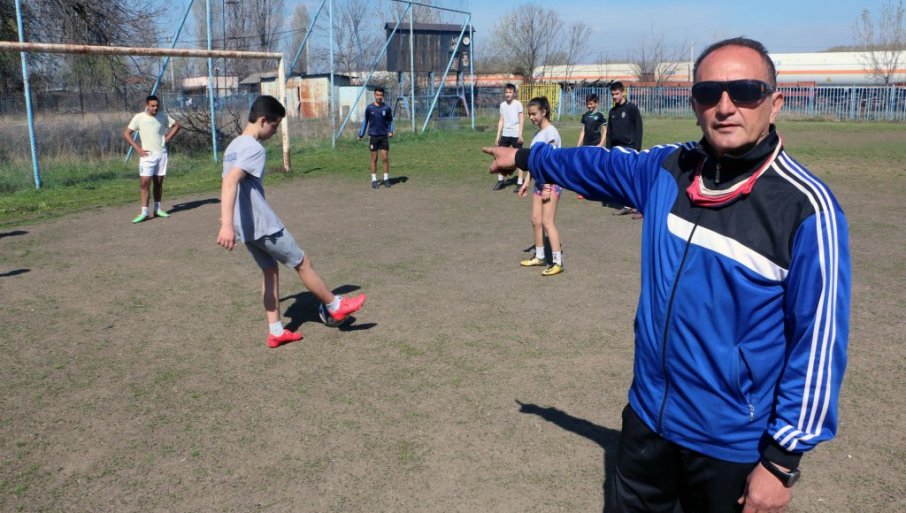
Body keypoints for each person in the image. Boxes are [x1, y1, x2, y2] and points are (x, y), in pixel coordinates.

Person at [483, 37, 850, 513]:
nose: (725, 107)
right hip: (647, 421)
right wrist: (527, 158)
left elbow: (818, 343)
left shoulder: (807, 209)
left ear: (774, 103)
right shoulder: (667, 169)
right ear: (695, 106)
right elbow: (596, 164)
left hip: (728, 446)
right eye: (708, 93)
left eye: (745, 91)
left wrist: (781, 462)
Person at [218, 95, 366, 348]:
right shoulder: (254, 148)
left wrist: (229, 218)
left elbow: (226, 182)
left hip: (246, 227)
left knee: (269, 271)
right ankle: (335, 305)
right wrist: (226, 225)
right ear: (262, 120)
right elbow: (231, 181)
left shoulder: (233, 146)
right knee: (302, 262)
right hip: (262, 224)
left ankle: (276, 331)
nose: (275, 131)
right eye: (274, 125)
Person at [518, 97, 563, 276]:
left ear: (544, 112)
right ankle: (540, 256)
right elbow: (534, 162)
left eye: (533, 114)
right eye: (529, 114)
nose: (531, 117)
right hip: (539, 183)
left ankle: (558, 262)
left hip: (551, 183)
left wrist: (548, 186)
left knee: (547, 222)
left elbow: (551, 163)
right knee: (536, 220)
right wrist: (526, 182)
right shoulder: (537, 135)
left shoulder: (551, 133)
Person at [124, 95, 181, 223]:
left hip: (161, 154)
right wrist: (137, 148)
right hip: (147, 156)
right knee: (144, 183)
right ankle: (144, 212)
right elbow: (127, 133)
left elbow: (177, 126)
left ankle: (157, 209)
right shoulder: (139, 117)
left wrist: (168, 138)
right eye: (152, 106)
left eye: (157, 105)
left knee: (158, 183)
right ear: (147, 106)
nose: (155, 108)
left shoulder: (163, 116)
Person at [604, 82, 644, 217]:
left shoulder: (631, 108)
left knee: (633, 179)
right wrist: (608, 151)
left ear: (623, 92)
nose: (614, 97)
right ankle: (627, 205)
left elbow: (639, 129)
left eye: (617, 94)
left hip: (630, 149)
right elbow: (609, 133)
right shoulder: (612, 112)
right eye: (612, 94)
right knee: (621, 178)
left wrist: (636, 149)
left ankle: (640, 206)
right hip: (616, 150)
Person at [359, 86, 394, 189]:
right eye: (377, 95)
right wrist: (361, 134)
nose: (379, 97)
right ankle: (374, 180)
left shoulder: (387, 108)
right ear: (374, 95)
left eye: (381, 95)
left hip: (383, 136)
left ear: (383, 96)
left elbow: (390, 121)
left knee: (385, 158)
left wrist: (390, 131)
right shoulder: (369, 108)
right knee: (374, 158)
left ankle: (386, 179)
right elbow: (365, 121)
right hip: (373, 136)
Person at [575, 93, 607, 199]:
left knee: (595, 167)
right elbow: (583, 132)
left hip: (597, 145)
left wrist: (601, 144)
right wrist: (578, 145)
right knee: (585, 166)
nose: (589, 106)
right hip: (586, 145)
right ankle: (583, 190)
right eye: (588, 104)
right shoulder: (585, 116)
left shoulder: (601, 115)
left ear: (596, 103)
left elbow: (605, 131)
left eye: (591, 104)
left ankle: (598, 189)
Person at [494, 83, 525, 192]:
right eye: (506, 92)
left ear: (514, 93)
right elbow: (501, 120)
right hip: (505, 134)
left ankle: (520, 182)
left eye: (510, 92)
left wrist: (520, 134)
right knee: (499, 156)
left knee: (519, 158)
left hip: (516, 134)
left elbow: (521, 119)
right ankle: (500, 180)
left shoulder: (518, 104)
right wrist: (498, 136)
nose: (508, 94)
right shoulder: (502, 105)